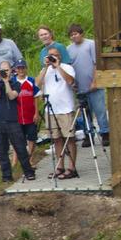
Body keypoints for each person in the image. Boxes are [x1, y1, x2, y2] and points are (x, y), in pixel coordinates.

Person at [0, 59, 36, 182]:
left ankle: (28, 172)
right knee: (2, 149)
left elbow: (11, 95)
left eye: (7, 70)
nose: (5, 72)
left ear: (11, 71)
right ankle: (6, 176)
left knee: (20, 147)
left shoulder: (16, 84)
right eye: (2, 70)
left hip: (12, 120)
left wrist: (6, 82)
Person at [39, 48, 78, 180]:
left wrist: (58, 67)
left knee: (70, 138)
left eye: (55, 55)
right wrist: (46, 68)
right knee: (56, 139)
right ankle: (59, 166)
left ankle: (72, 167)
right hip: (50, 110)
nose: (52, 58)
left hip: (65, 108)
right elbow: (37, 84)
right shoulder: (45, 70)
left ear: (59, 56)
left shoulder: (67, 67)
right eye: (50, 56)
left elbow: (70, 81)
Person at [66, 24, 106, 148]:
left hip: (94, 85)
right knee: (84, 113)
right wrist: (73, 84)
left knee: (100, 110)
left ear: (81, 34)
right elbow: (69, 67)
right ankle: (88, 135)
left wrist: (95, 81)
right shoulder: (69, 49)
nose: (74, 36)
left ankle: (105, 132)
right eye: (71, 35)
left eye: (76, 34)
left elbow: (96, 64)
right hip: (80, 87)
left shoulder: (91, 44)